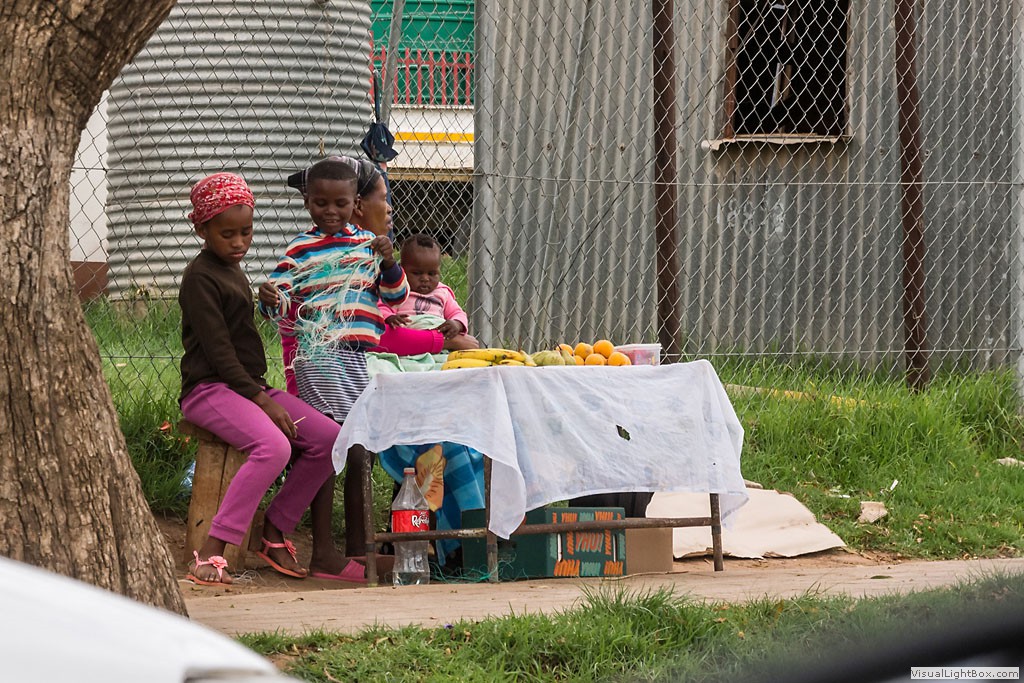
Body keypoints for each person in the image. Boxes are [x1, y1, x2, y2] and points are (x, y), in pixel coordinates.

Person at [179, 172, 340, 586]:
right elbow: (219, 355)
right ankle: (210, 551)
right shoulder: (200, 278)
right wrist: (262, 401)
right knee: (273, 446)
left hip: (246, 386)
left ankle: (274, 530)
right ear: (201, 230)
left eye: (246, 232)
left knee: (329, 439)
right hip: (209, 390)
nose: (238, 242)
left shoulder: (232, 269)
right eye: (227, 234)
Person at [260, 158, 407, 582]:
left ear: (355, 203)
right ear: (307, 202)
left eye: (340, 203)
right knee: (337, 443)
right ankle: (325, 549)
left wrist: (389, 261)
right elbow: (282, 298)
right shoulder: (300, 249)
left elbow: (396, 297)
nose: (330, 211)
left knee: (357, 447)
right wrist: (270, 298)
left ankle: (354, 548)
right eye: (320, 203)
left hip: (357, 359)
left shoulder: (369, 245)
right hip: (320, 356)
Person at [378, 233, 473, 345]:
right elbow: (381, 306)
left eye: (432, 273)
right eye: (417, 273)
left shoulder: (443, 292)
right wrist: (390, 317)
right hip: (409, 337)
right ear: (401, 268)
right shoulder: (396, 291)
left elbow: (457, 313)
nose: (425, 279)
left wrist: (456, 324)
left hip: (438, 334)